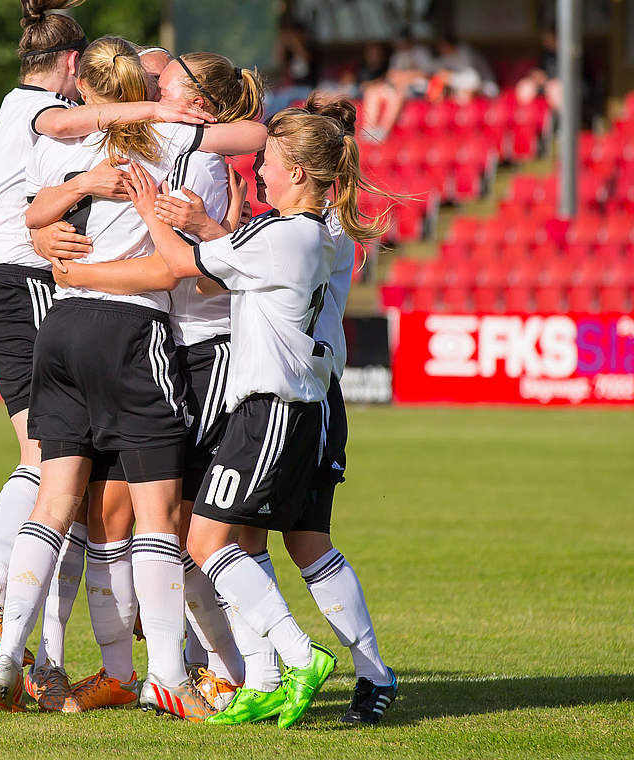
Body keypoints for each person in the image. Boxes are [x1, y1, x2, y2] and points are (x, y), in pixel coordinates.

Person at [0, 35, 265, 717]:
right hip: (134, 331)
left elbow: (32, 213)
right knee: (158, 515)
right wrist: (182, 125)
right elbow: (179, 264)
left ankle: (10, 653)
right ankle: (169, 670)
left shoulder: (62, 143)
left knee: (62, 503)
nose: (165, 90)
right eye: (154, 81)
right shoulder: (172, 144)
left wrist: (70, 234)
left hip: (63, 327)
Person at [190, 95, 398, 727]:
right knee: (263, 536)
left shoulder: (315, 226)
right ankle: (279, 674)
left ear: (310, 159)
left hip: (299, 393)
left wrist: (207, 230)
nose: (264, 163)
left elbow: (239, 263)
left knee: (292, 543)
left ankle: (351, 669)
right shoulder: (317, 220)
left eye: (279, 150)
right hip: (302, 387)